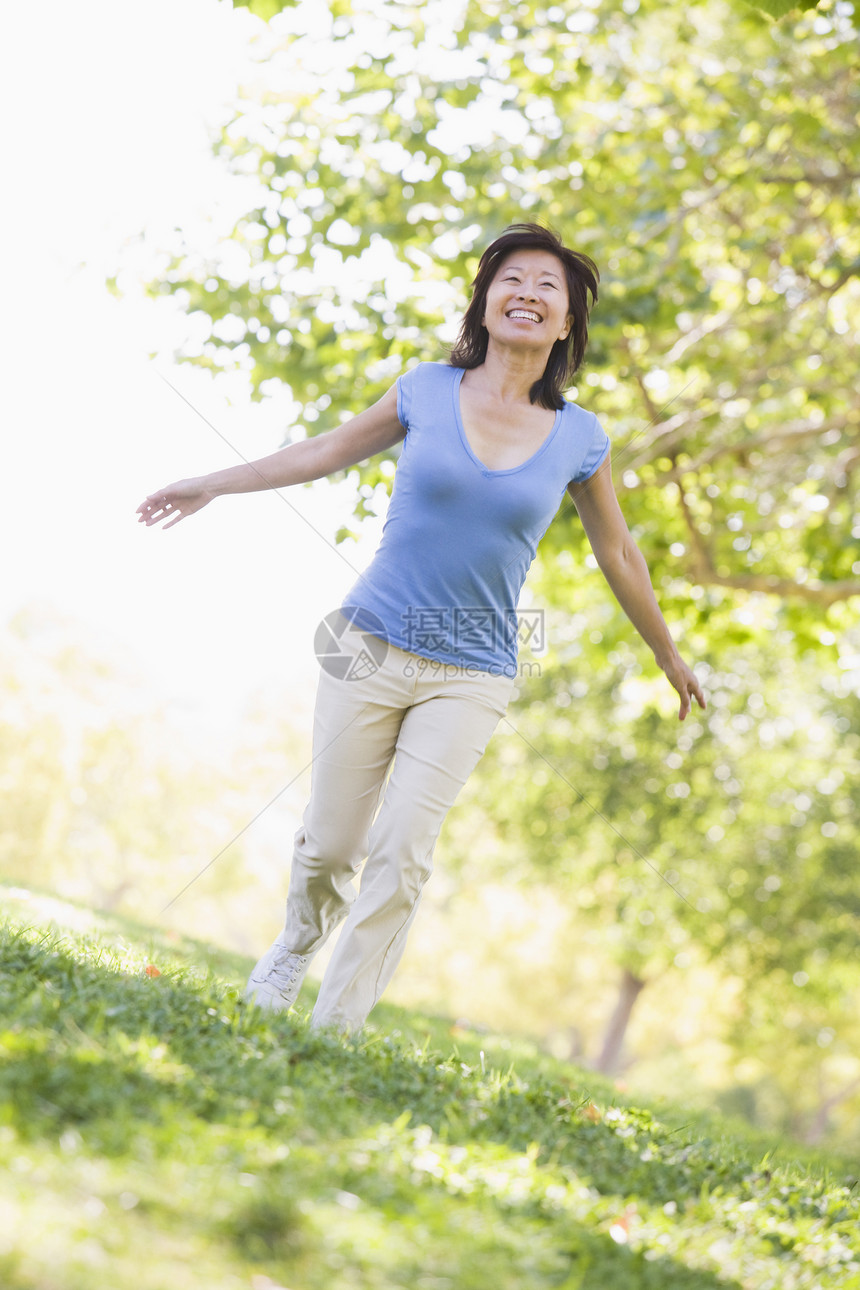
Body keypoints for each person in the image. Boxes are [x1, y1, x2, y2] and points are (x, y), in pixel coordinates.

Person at [137, 222, 705, 1034]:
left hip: (473, 671)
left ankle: (338, 1025)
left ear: (568, 321)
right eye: (512, 278)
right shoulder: (425, 390)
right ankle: (295, 948)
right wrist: (212, 484)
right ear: (485, 299)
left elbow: (618, 551)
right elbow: (324, 452)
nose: (528, 294)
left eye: (550, 286)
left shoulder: (582, 437)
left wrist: (668, 654)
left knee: (401, 851)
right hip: (368, 645)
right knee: (330, 846)